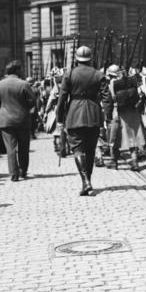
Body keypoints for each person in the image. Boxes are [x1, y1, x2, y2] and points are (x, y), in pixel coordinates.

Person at [56, 46, 109, 196]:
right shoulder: (99, 74)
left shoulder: (70, 74)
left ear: (77, 58)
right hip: (93, 114)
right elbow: (107, 97)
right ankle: (88, 180)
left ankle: (85, 181)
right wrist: (108, 116)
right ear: (90, 58)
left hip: (74, 114)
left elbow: (62, 98)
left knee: (77, 149)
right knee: (91, 149)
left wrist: (60, 117)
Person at [0, 60, 36, 182]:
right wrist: (25, 108)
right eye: (21, 69)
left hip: (6, 120)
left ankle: (13, 173)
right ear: (17, 70)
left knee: (10, 148)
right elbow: (32, 101)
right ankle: (23, 170)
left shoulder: (0, 84)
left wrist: (3, 111)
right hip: (22, 119)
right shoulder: (24, 84)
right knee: (23, 147)